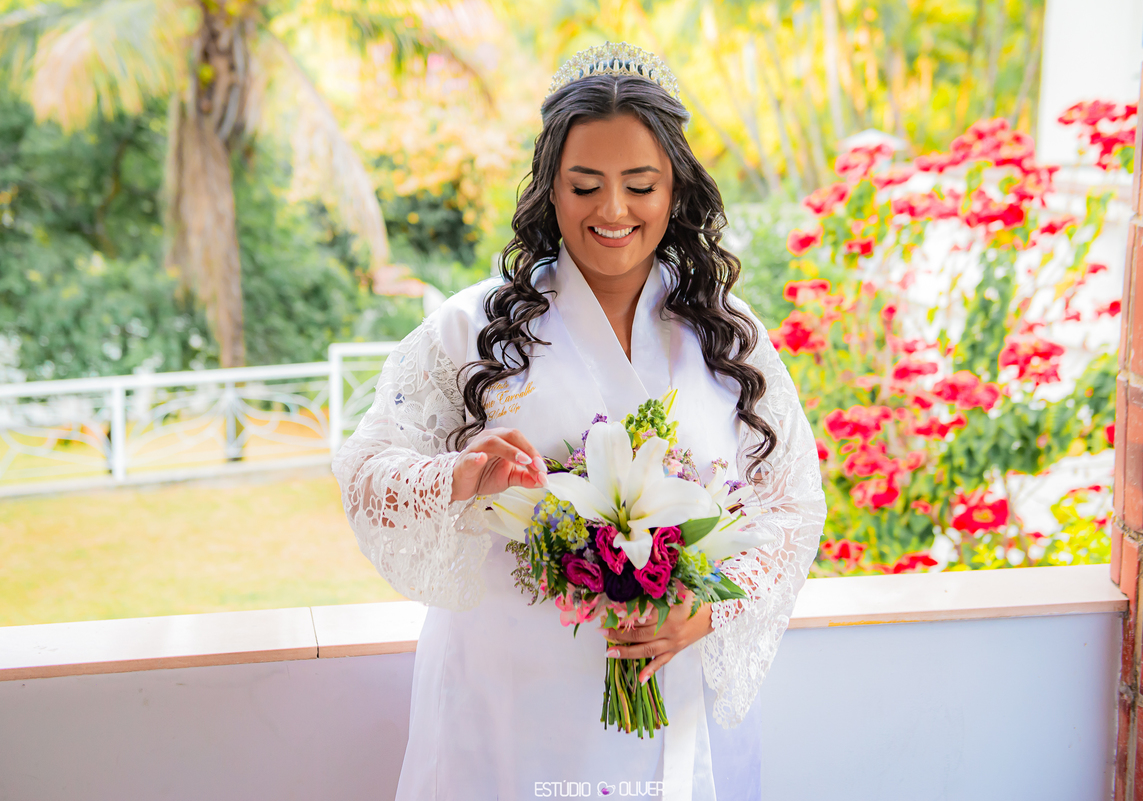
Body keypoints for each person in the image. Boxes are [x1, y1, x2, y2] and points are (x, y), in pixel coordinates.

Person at [333, 42, 826, 801]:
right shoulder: (470, 330)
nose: (614, 211)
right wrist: (460, 475)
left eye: (640, 185)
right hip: (508, 711)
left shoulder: (731, 338)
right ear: (550, 190)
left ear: (676, 190)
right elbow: (367, 471)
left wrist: (711, 609)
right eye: (586, 185)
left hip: (676, 708)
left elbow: (792, 501)